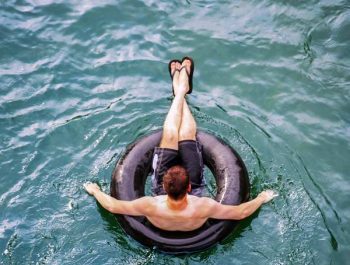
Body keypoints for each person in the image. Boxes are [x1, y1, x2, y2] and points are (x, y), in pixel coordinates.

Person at [84, 57, 278, 231]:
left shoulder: (150, 205)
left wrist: (95, 191)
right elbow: (241, 212)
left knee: (169, 134)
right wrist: (262, 198)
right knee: (186, 134)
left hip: (163, 208)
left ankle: (179, 92)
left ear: (163, 187)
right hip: (191, 207)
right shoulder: (203, 207)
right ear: (188, 188)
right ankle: (181, 91)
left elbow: (111, 205)